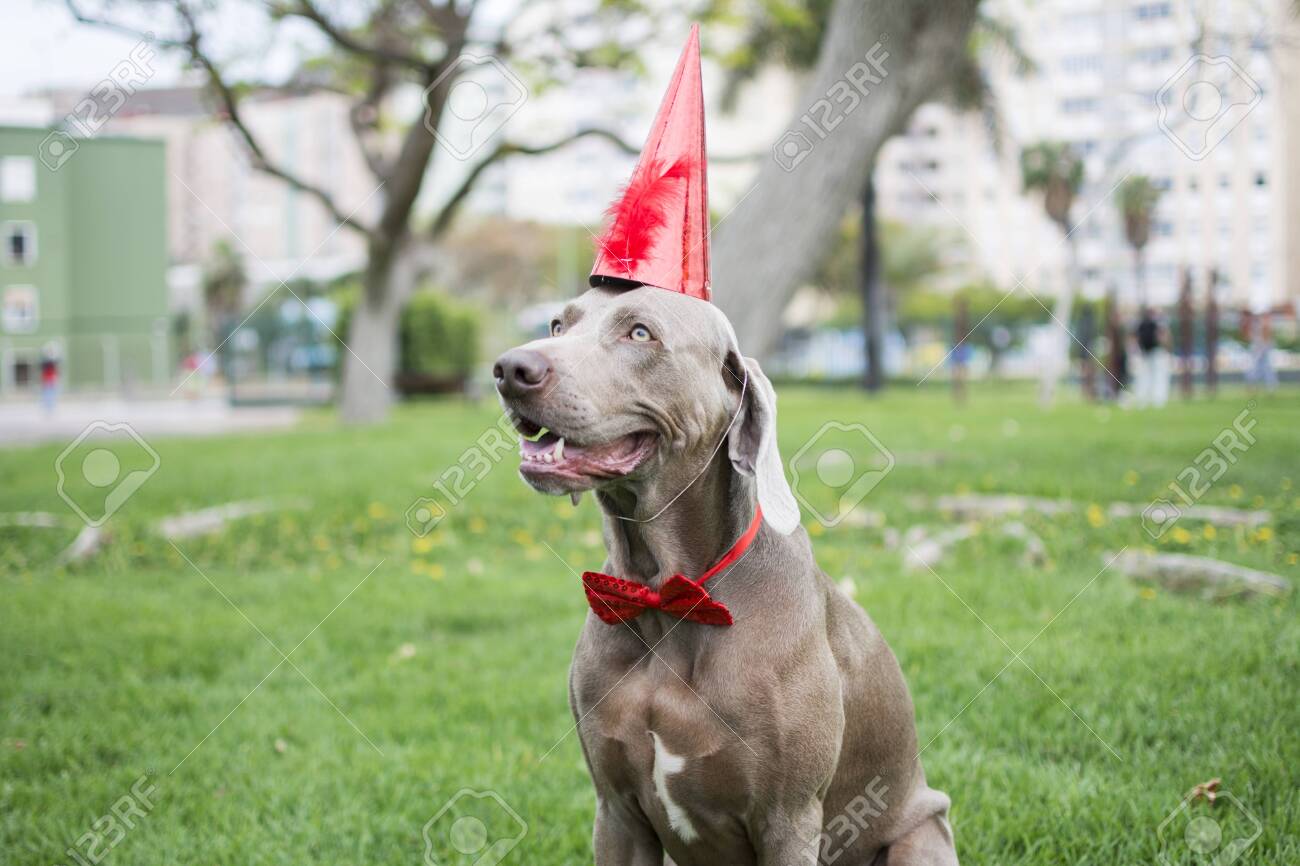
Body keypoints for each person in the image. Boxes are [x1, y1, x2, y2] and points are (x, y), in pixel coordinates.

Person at [1133, 307, 1170, 408]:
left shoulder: (1146, 323)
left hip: (1152, 352)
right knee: (1151, 376)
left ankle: (1154, 399)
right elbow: (1163, 337)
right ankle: (1153, 399)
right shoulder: (1154, 323)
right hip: (1149, 352)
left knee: (1151, 376)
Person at [1247, 310, 1278, 394]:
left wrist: (1261, 348)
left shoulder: (1264, 325)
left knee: (1264, 369)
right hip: (1260, 349)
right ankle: (1254, 386)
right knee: (1259, 369)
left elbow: (1266, 339)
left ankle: (1269, 387)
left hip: (1263, 350)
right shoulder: (1258, 325)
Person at [39, 345, 59, 415]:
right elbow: (43, 367)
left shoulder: (53, 360)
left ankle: (51, 408)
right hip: (46, 378)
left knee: (52, 393)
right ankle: (47, 407)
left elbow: (55, 368)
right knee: (46, 393)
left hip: (51, 378)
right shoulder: (45, 360)